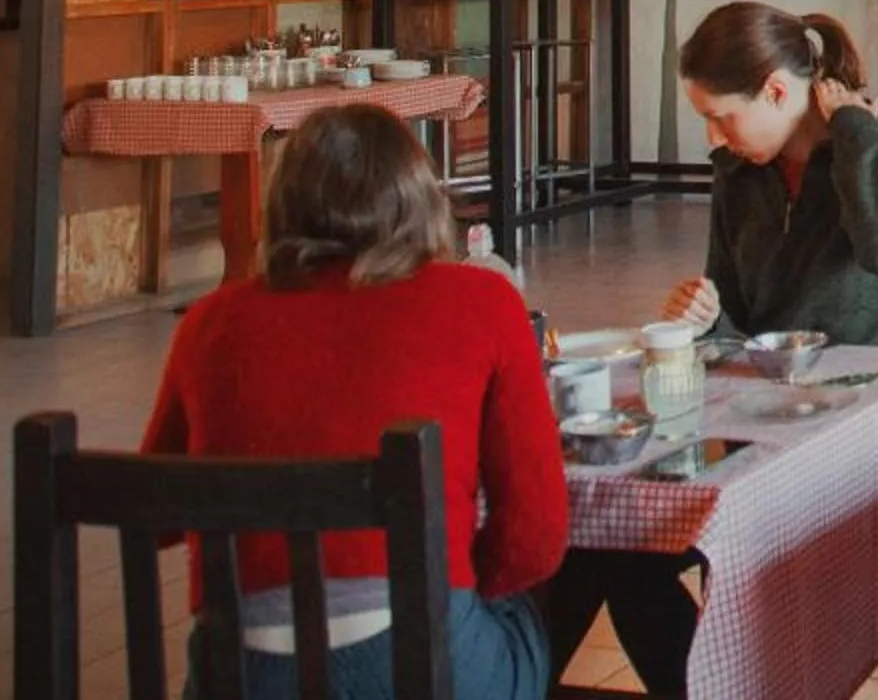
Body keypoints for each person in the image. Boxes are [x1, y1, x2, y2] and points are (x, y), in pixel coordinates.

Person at [547, 2, 878, 694]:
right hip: (766, 423)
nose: (715, 135)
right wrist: (703, 316)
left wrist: (853, 126)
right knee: (612, 545)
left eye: (722, 115)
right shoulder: (738, 175)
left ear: (778, 92)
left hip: (875, 433)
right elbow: (737, 322)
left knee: (616, 547)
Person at [141, 105, 564, 700]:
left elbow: (157, 515)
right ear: (419, 197)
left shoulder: (211, 323)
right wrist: (460, 583)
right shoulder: (482, 302)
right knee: (532, 613)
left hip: (239, 673)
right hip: (414, 660)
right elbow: (534, 541)